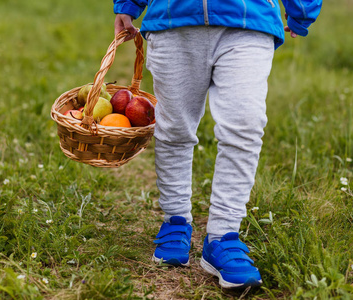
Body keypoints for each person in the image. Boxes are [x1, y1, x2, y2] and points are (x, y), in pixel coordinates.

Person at [113, 0, 322, 289]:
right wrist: (128, 4)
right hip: (174, 20)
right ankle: (175, 221)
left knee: (244, 126)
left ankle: (224, 236)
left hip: (248, 20)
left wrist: (302, 8)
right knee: (173, 128)